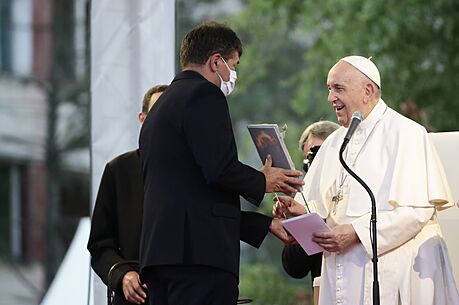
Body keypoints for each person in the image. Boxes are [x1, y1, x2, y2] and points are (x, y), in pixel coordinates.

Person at [138, 21, 304, 305]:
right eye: (233, 64)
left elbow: (194, 192)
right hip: (199, 259)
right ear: (216, 61)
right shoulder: (204, 95)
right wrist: (265, 180)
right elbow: (219, 169)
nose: (234, 74)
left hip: (161, 256)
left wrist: (264, 225)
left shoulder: (160, 109)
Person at [275, 55, 459, 305]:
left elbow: (415, 212)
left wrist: (355, 233)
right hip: (343, 270)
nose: (330, 98)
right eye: (329, 89)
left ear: (368, 90)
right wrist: (299, 211)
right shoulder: (333, 143)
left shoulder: (406, 134)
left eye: (338, 88)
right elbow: (322, 205)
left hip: (394, 268)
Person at [87, 84, 168, 305]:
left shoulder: (195, 172)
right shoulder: (119, 170)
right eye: (157, 114)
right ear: (142, 119)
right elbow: (100, 245)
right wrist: (123, 275)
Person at [279, 121, 339, 283]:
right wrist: (298, 223)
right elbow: (295, 268)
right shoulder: (303, 198)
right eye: (309, 160)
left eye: (319, 156)